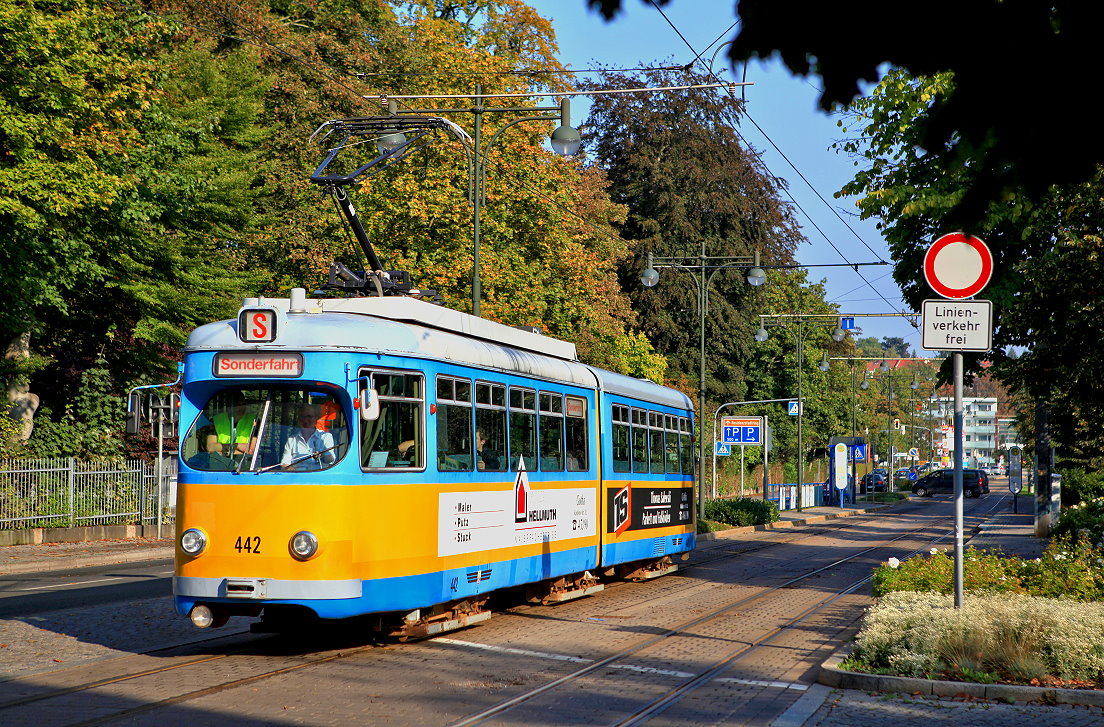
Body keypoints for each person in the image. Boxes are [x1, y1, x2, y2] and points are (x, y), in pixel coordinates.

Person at [281, 404, 336, 470]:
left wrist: (322, 456)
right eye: (303, 417)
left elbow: (331, 459)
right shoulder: (292, 439)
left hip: (319, 476)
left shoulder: (326, 437)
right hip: (297, 477)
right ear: (299, 419)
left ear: (316, 419)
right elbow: (284, 464)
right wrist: (290, 469)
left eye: (309, 416)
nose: (306, 420)